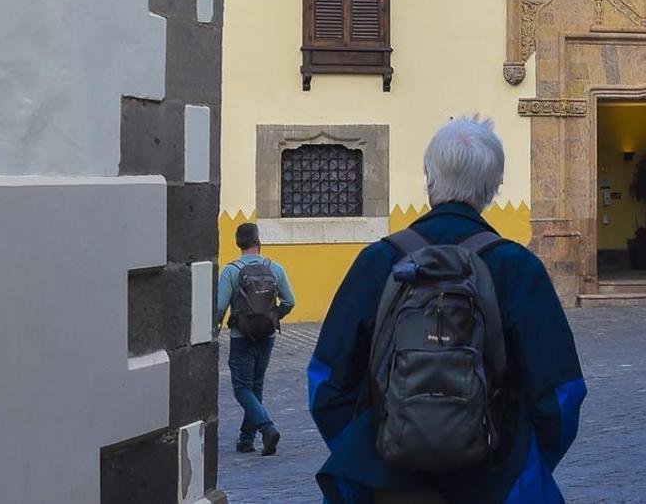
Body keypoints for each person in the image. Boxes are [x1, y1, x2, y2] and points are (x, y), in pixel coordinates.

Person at [308, 116, 587, 503]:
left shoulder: (377, 262)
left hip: (385, 484)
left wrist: (370, 452)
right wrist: (520, 459)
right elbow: (561, 393)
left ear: (429, 178)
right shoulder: (517, 267)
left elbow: (326, 382)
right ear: (493, 187)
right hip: (496, 481)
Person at [216, 223, 295, 456]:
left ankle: (267, 428)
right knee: (256, 385)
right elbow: (290, 302)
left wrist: (214, 328)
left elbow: (219, 307)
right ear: (258, 240)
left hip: (241, 336)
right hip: (267, 336)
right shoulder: (275, 268)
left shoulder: (231, 271)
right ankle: (246, 439)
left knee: (242, 388)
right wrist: (274, 316)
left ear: (238, 243)